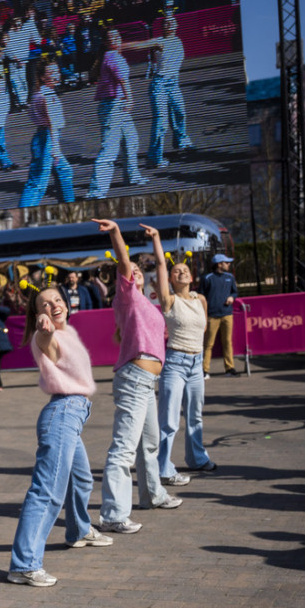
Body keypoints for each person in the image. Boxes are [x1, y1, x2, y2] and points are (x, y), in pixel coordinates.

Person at [7, 285, 100, 587]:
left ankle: (78, 530)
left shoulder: (69, 332)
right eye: (45, 304)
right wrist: (43, 328)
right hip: (62, 414)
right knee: (46, 492)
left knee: (82, 478)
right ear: (37, 314)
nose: (54, 306)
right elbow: (45, 339)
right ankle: (24, 564)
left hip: (71, 415)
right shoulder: (45, 335)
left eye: (57, 300)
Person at [97, 221, 181, 536]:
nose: (135, 272)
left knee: (149, 443)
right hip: (134, 378)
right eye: (130, 269)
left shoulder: (148, 303)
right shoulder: (128, 296)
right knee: (124, 449)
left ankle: (152, 495)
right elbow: (122, 260)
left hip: (147, 383)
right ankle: (113, 514)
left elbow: (161, 266)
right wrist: (116, 232)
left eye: (138, 270)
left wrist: (158, 237)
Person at [154, 254, 216, 485]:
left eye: (185, 269)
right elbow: (161, 265)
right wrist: (157, 241)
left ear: (192, 276)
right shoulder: (168, 300)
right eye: (176, 271)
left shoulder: (201, 299)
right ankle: (162, 466)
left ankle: (197, 459)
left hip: (196, 363)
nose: (181, 272)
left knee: (195, 415)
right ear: (170, 278)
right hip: (175, 363)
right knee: (169, 419)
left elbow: (204, 328)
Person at [86, 28, 149, 200]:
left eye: (117, 35)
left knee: (131, 140)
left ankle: (132, 177)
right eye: (110, 37)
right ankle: (96, 191)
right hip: (114, 106)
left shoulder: (110, 56)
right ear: (106, 42)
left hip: (115, 105)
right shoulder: (113, 57)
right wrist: (130, 99)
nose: (115, 38)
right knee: (110, 149)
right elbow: (122, 80)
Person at [20, 61, 74, 208]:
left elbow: (34, 116)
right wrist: (55, 149)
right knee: (37, 183)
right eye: (51, 73)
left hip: (43, 137)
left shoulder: (39, 94)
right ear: (43, 77)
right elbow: (52, 124)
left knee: (64, 171)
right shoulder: (46, 95)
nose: (56, 75)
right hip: (47, 140)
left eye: (57, 71)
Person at [146, 16, 192, 169]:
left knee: (180, 113)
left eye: (172, 21)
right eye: (166, 22)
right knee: (161, 123)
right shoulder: (159, 42)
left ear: (177, 25)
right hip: (160, 84)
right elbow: (144, 44)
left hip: (173, 83)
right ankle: (154, 157)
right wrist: (122, 46)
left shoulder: (178, 41)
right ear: (163, 26)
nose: (169, 23)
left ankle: (181, 140)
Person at [199, 254, 239, 376]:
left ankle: (229, 368)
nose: (228, 264)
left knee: (227, 342)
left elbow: (235, 291)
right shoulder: (207, 278)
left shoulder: (230, 277)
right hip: (212, 315)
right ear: (219, 264)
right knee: (208, 344)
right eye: (226, 262)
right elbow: (201, 296)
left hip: (227, 314)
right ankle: (204, 370)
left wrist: (232, 297)